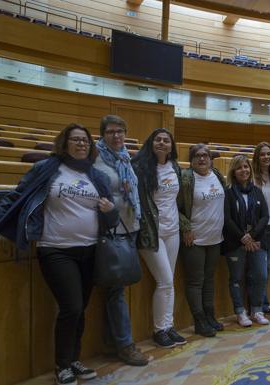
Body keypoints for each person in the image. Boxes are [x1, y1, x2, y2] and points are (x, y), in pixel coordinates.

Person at [0, 124, 118, 385]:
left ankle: (74, 360)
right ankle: (62, 365)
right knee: (71, 307)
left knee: (80, 309)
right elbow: (14, 198)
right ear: (64, 143)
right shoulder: (47, 169)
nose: (81, 144)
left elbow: (112, 220)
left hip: (91, 250)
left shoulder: (97, 177)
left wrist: (110, 210)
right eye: (75, 140)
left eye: (85, 140)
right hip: (56, 249)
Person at [93, 115, 148, 366]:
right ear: (103, 134)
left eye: (120, 131)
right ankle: (125, 345)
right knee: (116, 290)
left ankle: (111, 341)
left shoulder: (126, 156)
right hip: (111, 230)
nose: (116, 136)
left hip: (131, 227)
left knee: (117, 288)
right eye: (111, 132)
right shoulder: (94, 157)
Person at [132, 128, 185, 348]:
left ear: (171, 146)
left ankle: (168, 326)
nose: (162, 143)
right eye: (158, 140)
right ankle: (159, 330)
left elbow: (178, 201)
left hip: (173, 231)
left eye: (166, 140)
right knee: (165, 280)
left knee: (168, 281)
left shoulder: (174, 167)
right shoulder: (140, 168)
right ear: (151, 143)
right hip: (150, 232)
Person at [177, 144, 226, 337]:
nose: (202, 159)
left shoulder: (217, 175)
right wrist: (186, 228)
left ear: (210, 158)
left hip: (215, 238)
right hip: (195, 239)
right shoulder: (186, 178)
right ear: (191, 160)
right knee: (196, 281)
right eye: (197, 156)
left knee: (209, 279)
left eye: (205, 155)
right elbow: (175, 207)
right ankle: (199, 321)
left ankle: (210, 316)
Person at [223, 154, 270, 326]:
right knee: (236, 278)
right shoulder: (228, 192)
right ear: (233, 172)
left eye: (246, 167)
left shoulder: (257, 191)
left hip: (257, 241)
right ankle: (240, 312)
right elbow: (227, 219)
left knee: (261, 275)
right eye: (239, 167)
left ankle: (257, 310)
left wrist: (252, 236)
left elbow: (265, 216)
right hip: (235, 242)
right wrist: (242, 237)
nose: (244, 170)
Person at [252, 142, 270, 314]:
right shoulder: (252, 177)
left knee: (267, 266)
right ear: (257, 157)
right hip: (258, 229)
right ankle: (257, 305)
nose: (266, 157)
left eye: (269, 154)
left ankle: (264, 301)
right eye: (262, 154)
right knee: (260, 270)